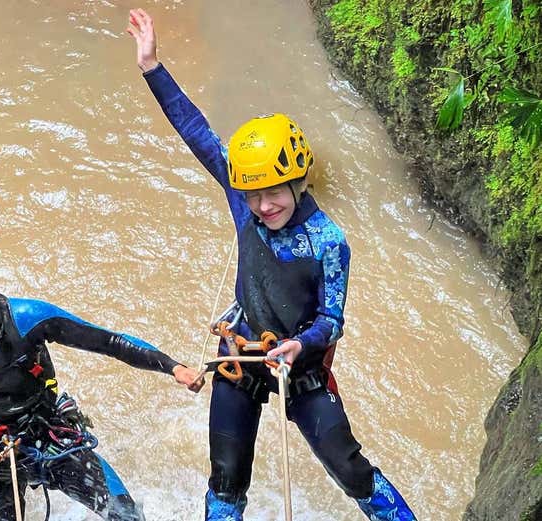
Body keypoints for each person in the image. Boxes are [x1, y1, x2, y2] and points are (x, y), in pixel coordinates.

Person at [126, 8, 417, 521]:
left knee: (350, 468)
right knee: (227, 478)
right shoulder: (245, 205)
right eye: (253, 195)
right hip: (240, 355)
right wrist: (152, 66)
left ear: (298, 180)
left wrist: (298, 346)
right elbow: (197, 131)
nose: (263, 207)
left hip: (298, 367)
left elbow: (332, 321)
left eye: (273, 194)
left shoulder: (328, 240)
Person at [0, 242, 202, 520]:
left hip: (46, 431)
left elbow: (109, 341)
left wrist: (174, 368)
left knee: (125, 515)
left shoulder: (26, 317)